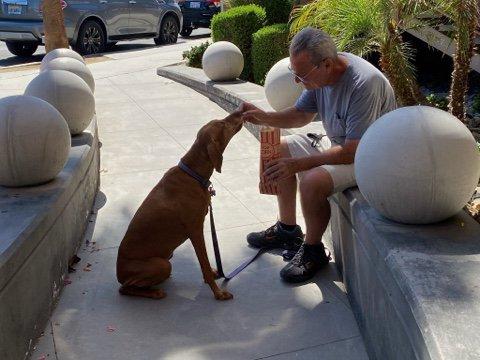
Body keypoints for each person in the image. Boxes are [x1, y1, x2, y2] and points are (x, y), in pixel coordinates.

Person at [241, 27, 396, 283]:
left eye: (300, 76)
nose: (297, 82)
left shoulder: (363, 84)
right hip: (344, 145)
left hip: (371, 157)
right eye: (294, 73)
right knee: (279, 149)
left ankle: (314, 251)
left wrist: (300, 164)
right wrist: (263, 116)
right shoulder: (320, 75)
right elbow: (301, 115)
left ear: (326, 64)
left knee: (312, 181)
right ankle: (287, 230)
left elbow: (353, 151)